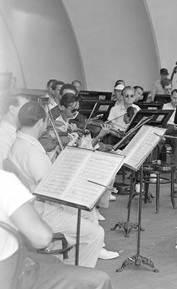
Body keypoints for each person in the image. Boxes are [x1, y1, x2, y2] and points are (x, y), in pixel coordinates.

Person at [0, 170, 120, 289]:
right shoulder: (5, 181)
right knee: (99, 282)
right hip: (12, 277)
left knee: (53, 263)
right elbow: (42, 239)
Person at [6, 102, 117, 266]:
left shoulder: (18, 144)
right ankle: (76, 273)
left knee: (87, 213)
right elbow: (52, 189)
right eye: (45, 122)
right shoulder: (32, 153)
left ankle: (66, 258)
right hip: (41, 211)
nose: (47, 126)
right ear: (39, 123)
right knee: (95, 232)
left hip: (31, 203)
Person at [0, 96, 28, 168]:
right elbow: (8, 169)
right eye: (26, 109)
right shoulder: (2, 136)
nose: (29, 114)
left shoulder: (17, 132)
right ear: (12, 109)